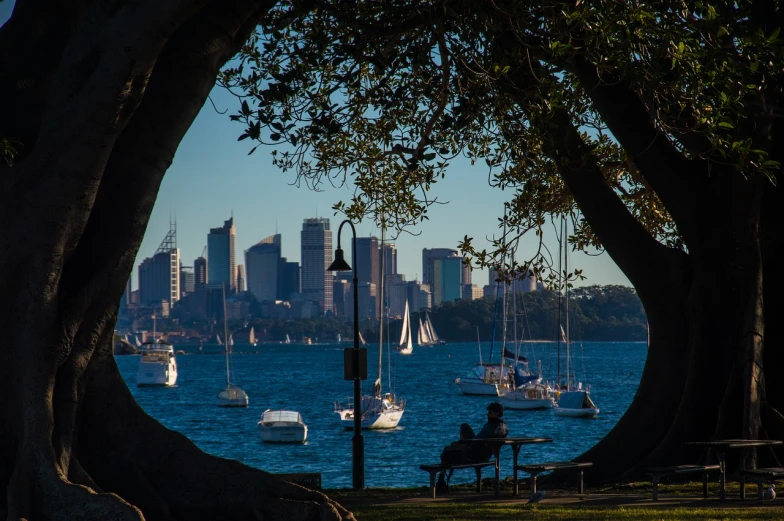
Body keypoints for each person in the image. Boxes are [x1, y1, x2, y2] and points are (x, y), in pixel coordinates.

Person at [436, 402, 508, 493]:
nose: (487, 414)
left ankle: (440, 482)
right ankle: (441, 482)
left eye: (490, 412)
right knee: (453, 445)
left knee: (448, 450)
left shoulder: (491, 426)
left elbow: (476, 440)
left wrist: (463, 443)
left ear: (497, 413)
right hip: (487, 455)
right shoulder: (504, 427)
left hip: (475, 455)